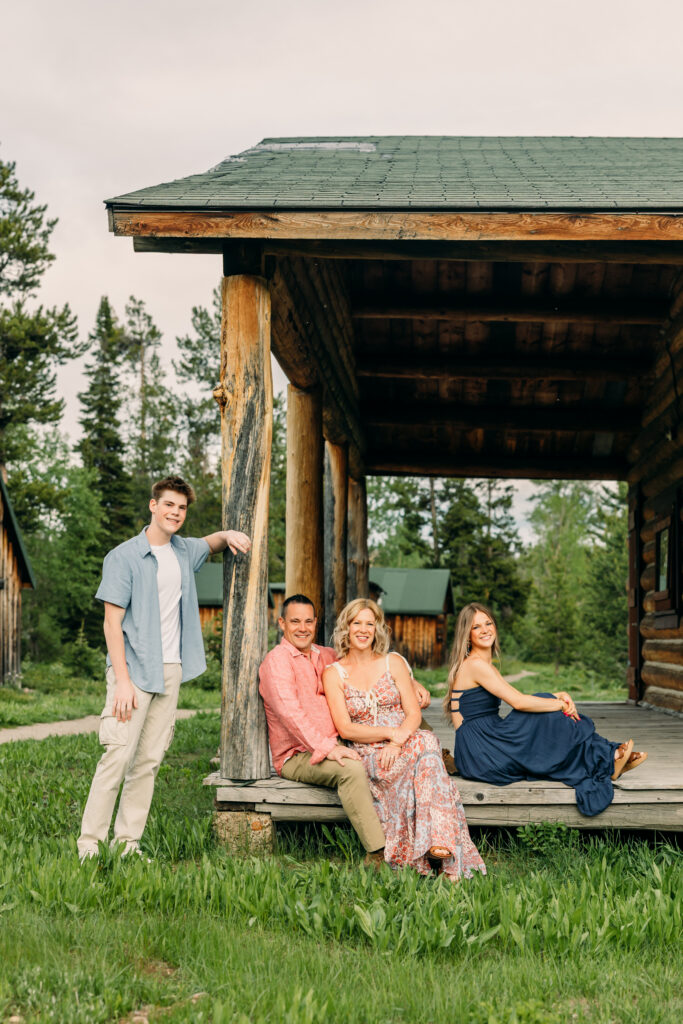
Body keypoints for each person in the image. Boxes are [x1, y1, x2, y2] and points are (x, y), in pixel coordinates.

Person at [77, 475, 251, 860]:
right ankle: (90, 845)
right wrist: (121, 681)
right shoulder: (123, 556)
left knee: (149, 761)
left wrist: (230, 534)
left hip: (170, 670)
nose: (175, 513)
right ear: (152, 506)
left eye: (182, 508)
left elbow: (214, 542)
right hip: (133, 672)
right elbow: (111, 623)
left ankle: (127, 844)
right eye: (168, 505)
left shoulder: (185, 552)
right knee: (117, 756)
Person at [258, 594, 432, 866]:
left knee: (398, 718)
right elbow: (292, 716)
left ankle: (423, 820)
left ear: (316, 623)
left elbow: (367, 664)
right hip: (299, 754)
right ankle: (377, 851)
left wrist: (412, 682)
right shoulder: (277, 662)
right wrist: (329, 749)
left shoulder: (324, 655)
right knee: (351, 770)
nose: (302, 628)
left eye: (308, 621)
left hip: (339, 742)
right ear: (282, 623)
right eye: (294, 621)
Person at [322, 599, 486, 882]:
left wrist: (398, 741)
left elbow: (412, 714)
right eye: (356, 623)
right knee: (429, 758)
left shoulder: (393, 662)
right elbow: (346, 729)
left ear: (377, 629)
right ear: (346, 628)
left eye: (369, 624)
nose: (363, 630)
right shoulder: (334, 673)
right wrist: (389, 736)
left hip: (405, 741)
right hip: (371, 752)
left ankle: (440, 846)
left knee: (426, 743)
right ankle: (442, 856)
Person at [444, 603, 648, 818]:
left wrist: (557, 695)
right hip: (481, 752)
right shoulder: (476, 665)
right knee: (543, 710)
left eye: (488, 623)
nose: (485, 630)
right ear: (467, 635)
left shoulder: (483, 665)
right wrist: (559, 705)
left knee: (544, 707)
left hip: (483, 744)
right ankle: (608, 757)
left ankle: (608, 758)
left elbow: (520, 697)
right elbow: (519, 702)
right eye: (476, 627)